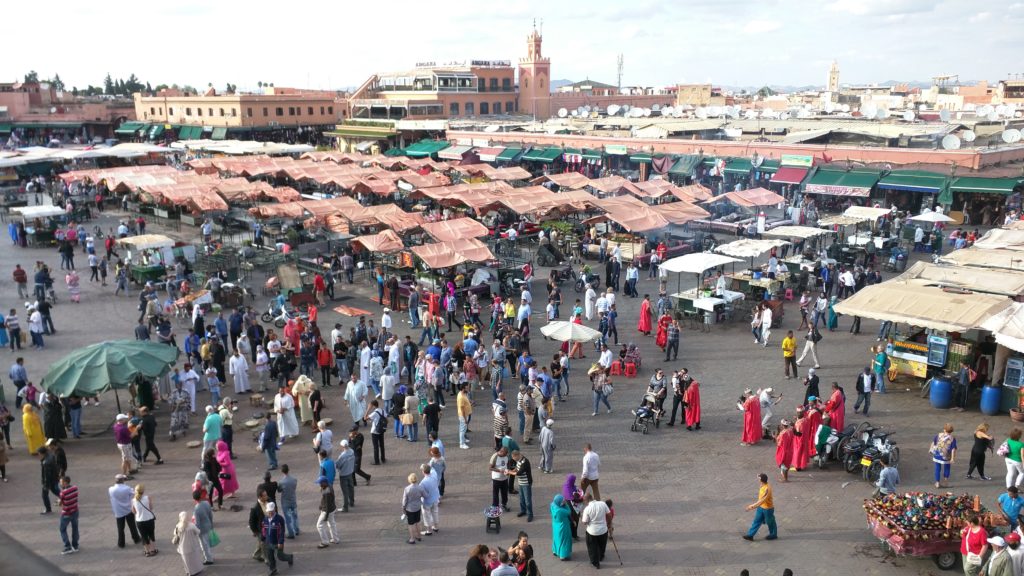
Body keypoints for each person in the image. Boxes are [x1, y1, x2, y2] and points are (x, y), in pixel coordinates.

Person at [261, 501, 294, 574]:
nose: (270, 513)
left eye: (271, 511)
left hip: (277, 543)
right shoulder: (265, 519)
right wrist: (263, 538)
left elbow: (282, 531)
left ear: (274, 510)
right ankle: (273, 570)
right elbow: (264, 529)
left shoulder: (279, 519)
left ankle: (289, 557)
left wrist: (281, 542)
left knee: (280, 556)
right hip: (268, 542)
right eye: (268, 512)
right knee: (270, 557)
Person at [742, 473, 778, 541]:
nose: (758, 480)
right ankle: (750, 535)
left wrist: (751, 506)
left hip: (768, 509)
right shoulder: (762, 485)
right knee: (756, 521)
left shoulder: (767, 489)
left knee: (770, 522)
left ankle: (773, 534)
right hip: (760, 508)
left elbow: (762, 501)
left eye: (759, 479)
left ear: (761, 480)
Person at [110, 473, 142, 548]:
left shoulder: (111, 489)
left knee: (120, 528)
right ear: (123, 480)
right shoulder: (127, 488)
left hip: (118, 511)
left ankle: (121, 543)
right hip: (128, 509)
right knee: (132, 525)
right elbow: (134, 493)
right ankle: (136, 538)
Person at [580, 493, 610, 569]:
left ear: (587, 500)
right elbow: (609, 514)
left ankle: (595, 562)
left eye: (584, 500)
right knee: (602, 544)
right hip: (603, 530)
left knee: (592, 547)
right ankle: (601, 556)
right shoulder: (602, 504)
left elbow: (584, 522)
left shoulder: (587, 509)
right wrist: (608, 523)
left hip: (592, 532)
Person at [132, 483, 159, 557]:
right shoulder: (147, 498)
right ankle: (153, 550)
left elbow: (134, 512)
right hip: (149, 519)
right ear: (143, 491)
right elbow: (151, 508)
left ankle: (147, 551)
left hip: (139, 521)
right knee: (151, 535)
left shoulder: (134, 500)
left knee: (144, 536)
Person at [510, 450, 534, 521]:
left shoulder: (525, 462)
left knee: (527, 500)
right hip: (520, 482)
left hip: (526, 483)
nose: (513, 459)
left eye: (514, 458)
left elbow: (519, 472)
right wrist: (512, 470)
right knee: (521, 498)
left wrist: (509, 472)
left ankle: (530, 514)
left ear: (517, 455)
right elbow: (517, 468)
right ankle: (523, 511)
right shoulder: (518, 460)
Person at [315, 475, 339, 548]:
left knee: (319, 525)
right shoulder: (329, 486)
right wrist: (321, 505)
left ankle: (325, 542)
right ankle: (335, 539)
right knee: (332, 524)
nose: (319, 485)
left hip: (327, 510)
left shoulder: (327, 492)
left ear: (324, 483)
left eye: (321, 483)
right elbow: (325, 500)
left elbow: (327, 505)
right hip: (332, 508)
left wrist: (326, 516)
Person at [402, 473, 425, 545]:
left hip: (410, 509)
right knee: (418, 522)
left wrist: (403, 508)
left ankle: (412, 539)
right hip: (418, 507)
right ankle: (419, 536)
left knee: (411, 524)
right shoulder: (420, 487)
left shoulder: (407, 489)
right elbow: (425, 495)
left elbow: (404, 501)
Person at [931, 423, 957, 489]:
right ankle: (945, 482)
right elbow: (953, 449)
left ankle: (937, 483)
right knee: (947, 467)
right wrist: (952, 458)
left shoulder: (939, 435)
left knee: (937, 468)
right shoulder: (952, 439)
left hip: (937, 454)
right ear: (951, 431)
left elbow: (934, 443)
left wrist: (931, 450)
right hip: (946, 456)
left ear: (944, 430)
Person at [58, 475, 79, 554]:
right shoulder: (75, 488)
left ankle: (67, 546)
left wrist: (59, 502)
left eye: (61, 482)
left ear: (65, 482)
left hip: (66, 513)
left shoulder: (63, 493)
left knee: (62, 529)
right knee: (75, 528)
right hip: (75, 511)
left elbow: (60, 503)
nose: (60, 484)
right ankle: (75, 545)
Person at [419, 463, 441, 535]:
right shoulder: (434, 473)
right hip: (435, 497)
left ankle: (429, 530)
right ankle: (436, 527)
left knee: (427, 515)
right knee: (435, 512)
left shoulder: (422, 483)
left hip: (427, 501)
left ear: (423, 472)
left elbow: (421, 493)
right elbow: (432, 467)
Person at [278, 464, 299, 538]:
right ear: (288, 470)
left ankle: (291, 533)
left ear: (282, 471)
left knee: (288, 518)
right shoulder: (294, 479)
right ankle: (296, 530)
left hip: (285, 502)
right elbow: (294, 488)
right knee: (295, 516)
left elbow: (279, 490)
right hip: (293, 499)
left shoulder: (281, 482)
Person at [550, 494, 573, 560]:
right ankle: (563, 555)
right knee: (564, 540)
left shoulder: (552, 505)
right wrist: (566, 505)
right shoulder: (561, 511)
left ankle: (555, 551)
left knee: (556, 538)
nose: (564, 502)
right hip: (563, 526)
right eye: (563, 501)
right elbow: (569, 511)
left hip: (555, 525)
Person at [490, 446, 511, 510]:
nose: (505, 455)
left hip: (504, 478)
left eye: (506, 454)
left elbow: (508, 465)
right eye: (504, 454)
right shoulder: (495, 456)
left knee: (505, 493)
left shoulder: (506, 456)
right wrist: (499, 470)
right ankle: (495, 506)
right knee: (496, 493)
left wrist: (508, 471)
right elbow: (490, 468)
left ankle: (504, 504)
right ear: (501, 452)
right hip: (496, 479)